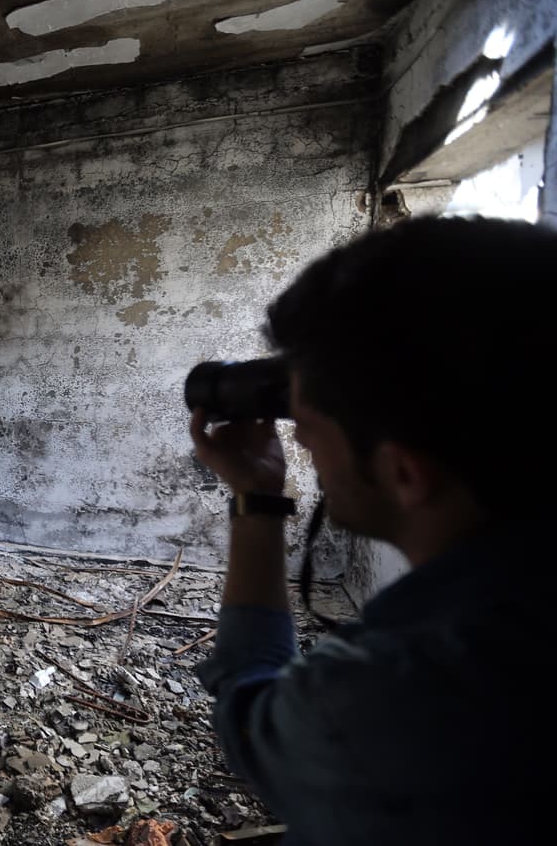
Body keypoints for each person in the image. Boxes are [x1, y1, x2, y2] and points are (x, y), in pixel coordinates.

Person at [188, 215, 552, 845]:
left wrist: (255, 500)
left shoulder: (403, 696)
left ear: (405, 473)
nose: (298, 438)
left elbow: (252, 711)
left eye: (309, 429)